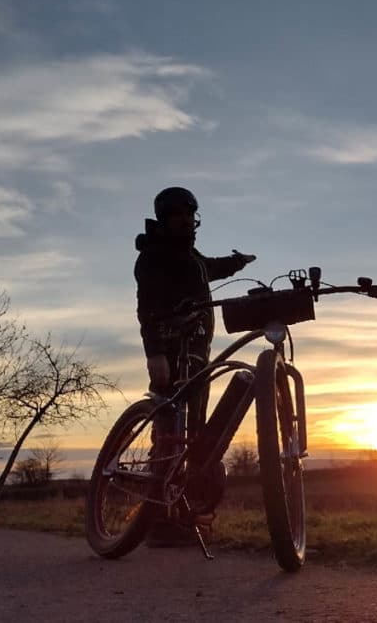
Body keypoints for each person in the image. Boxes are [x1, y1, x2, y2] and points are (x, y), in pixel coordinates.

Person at [134, 186, 256, 546]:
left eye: (191, 216)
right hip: (170, 353)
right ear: (165, 218)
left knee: (196, 435)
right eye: (180, 216)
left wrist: (238, 262)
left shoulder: (192, 256)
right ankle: (157, 520)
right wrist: (154, 353)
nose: (187, 222)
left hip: (197, 354)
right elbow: (147, 306)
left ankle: (185, 517)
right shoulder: (154, 256)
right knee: (169, 434)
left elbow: (209, 269)